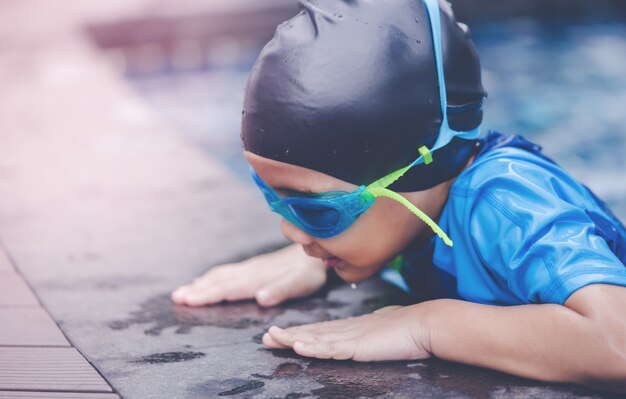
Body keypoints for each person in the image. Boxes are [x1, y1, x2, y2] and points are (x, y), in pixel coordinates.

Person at [171, 0, 626, 391]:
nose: (289, 230)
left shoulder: (508, 202)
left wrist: (427, 324)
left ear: (413, 174)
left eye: (316, 210)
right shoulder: (412, 212)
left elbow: (617, 344)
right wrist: (321, 256)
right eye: (272, 196)